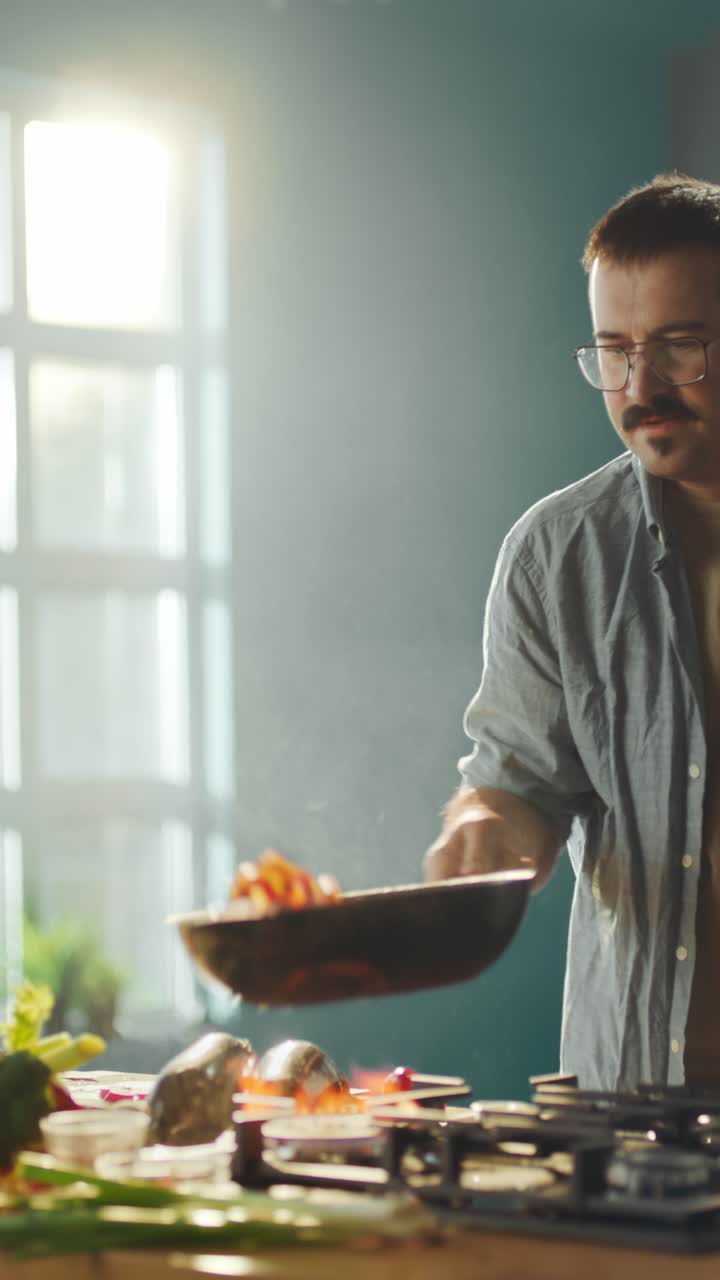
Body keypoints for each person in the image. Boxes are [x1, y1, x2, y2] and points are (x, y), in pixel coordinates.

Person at [424, 173, 720, 1092]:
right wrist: (484, 832)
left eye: (678, 346)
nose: (642, 386)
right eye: (614, 350)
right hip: (629, 1119)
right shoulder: (557, 557)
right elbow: (516, 790)